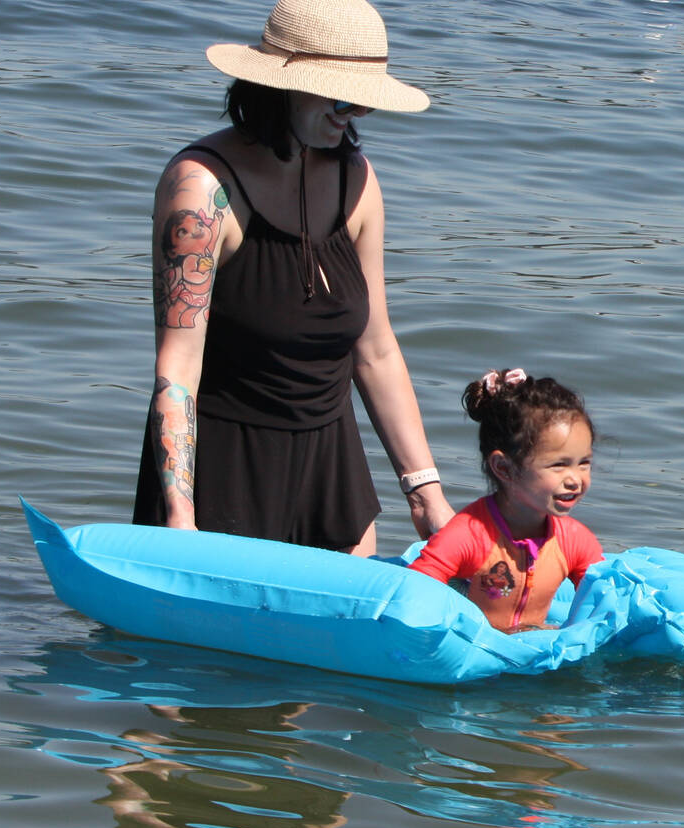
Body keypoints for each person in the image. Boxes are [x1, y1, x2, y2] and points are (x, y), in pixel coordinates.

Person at [133, 0, 454, 555]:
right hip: (226, 469)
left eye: (364, 105)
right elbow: (178, 366)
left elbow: (374, 348)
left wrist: (425, 491)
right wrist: (180, 514)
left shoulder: (356, 180)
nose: (350, 114)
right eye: (339, 96)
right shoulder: (202, 191)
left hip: (332, 472)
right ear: (280, 86)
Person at [407, 370, 604, 633]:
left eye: (584, 464)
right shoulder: (469, 534)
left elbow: (604, 605)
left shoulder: (574, 540)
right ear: (504, 467)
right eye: (559, 465)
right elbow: (415, 592)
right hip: (471, 655)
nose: (575, 480)